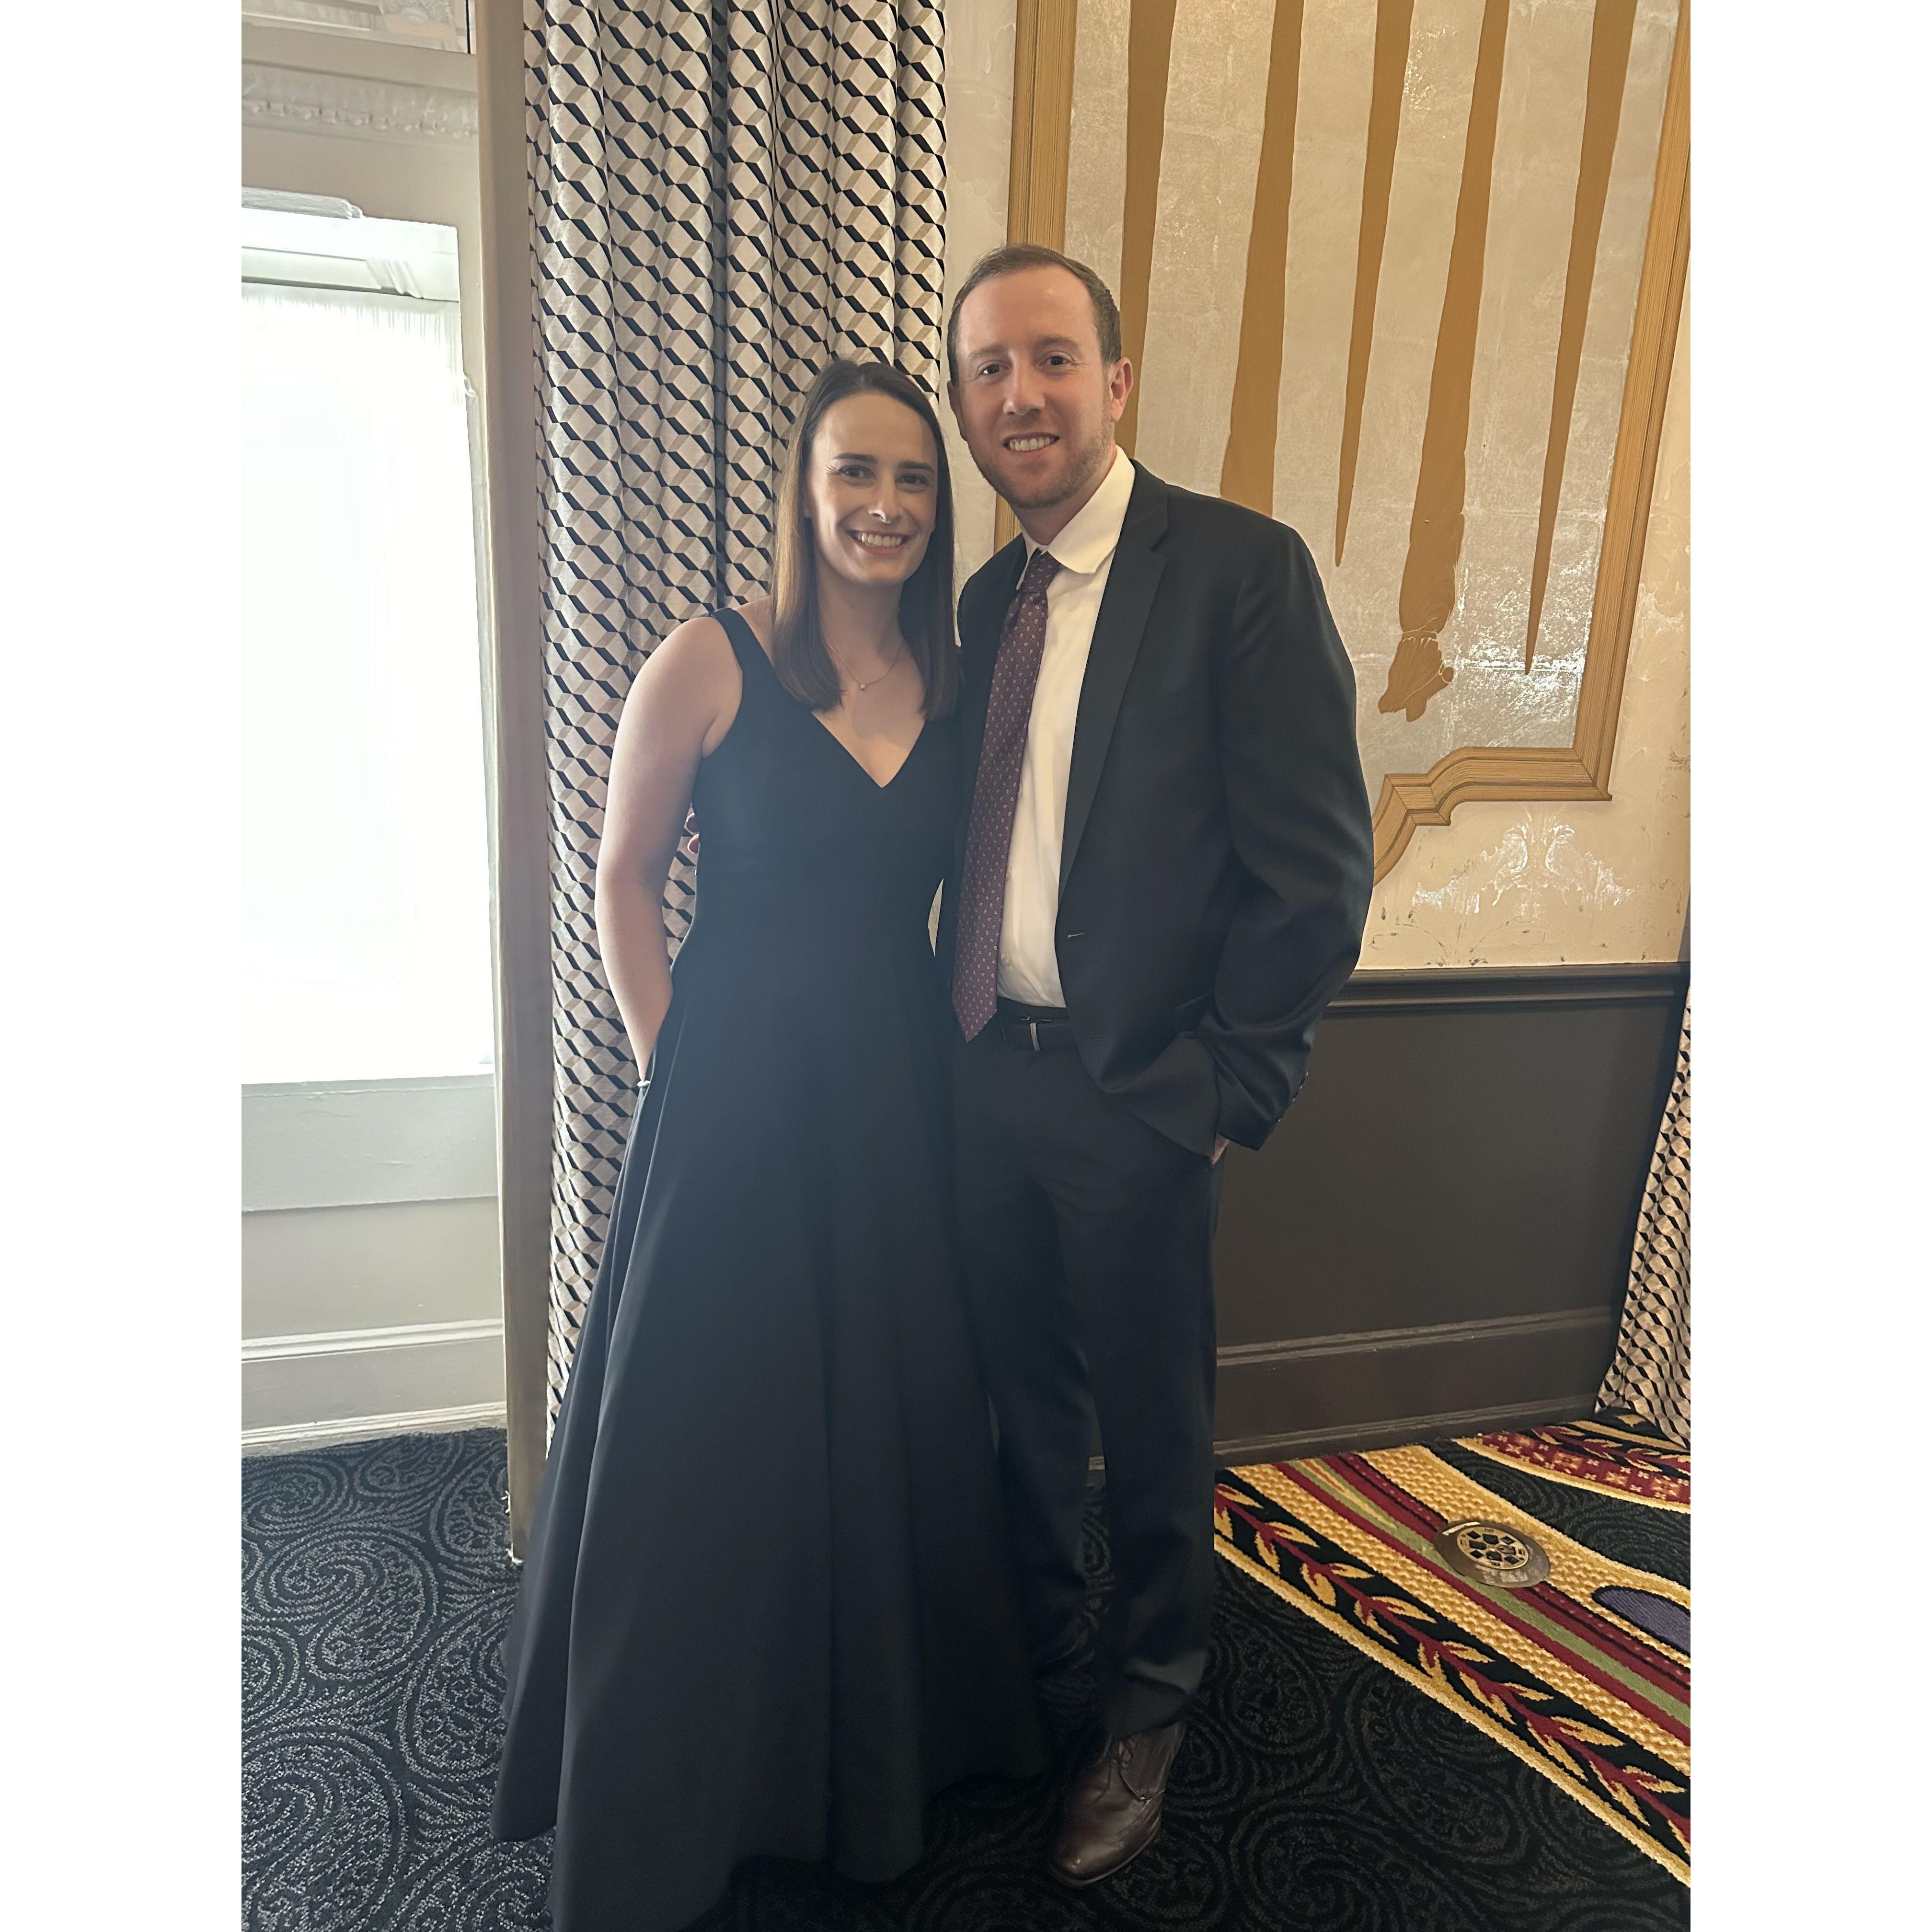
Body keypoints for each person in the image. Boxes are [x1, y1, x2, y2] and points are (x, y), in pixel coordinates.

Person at [492, 357, 1048, 1932]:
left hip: (892, 1092)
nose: (886, 503)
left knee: (887, 1407)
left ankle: (873, 1757)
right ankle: (679, 1781)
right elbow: (621, 874)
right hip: (729, 1089)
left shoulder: (961, 683)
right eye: (855, 472)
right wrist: (675, 1061)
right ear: (804, 492)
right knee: (710, 1425)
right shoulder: (711, 656)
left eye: (914, 479)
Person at [939, 244, 1375, 1887]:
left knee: (1152, 1415)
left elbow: (1316, 871)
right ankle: (1045, 1648)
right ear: (966, 406)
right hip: (983, 1068)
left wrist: (1223, 1091)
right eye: (990, 369)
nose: (1021, 395)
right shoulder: (984, 603)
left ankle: (1152, 1701)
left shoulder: (1239, 572)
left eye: (1053, 359)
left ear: (1116, 382)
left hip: (1140, 1096)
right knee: (1022, 1395)